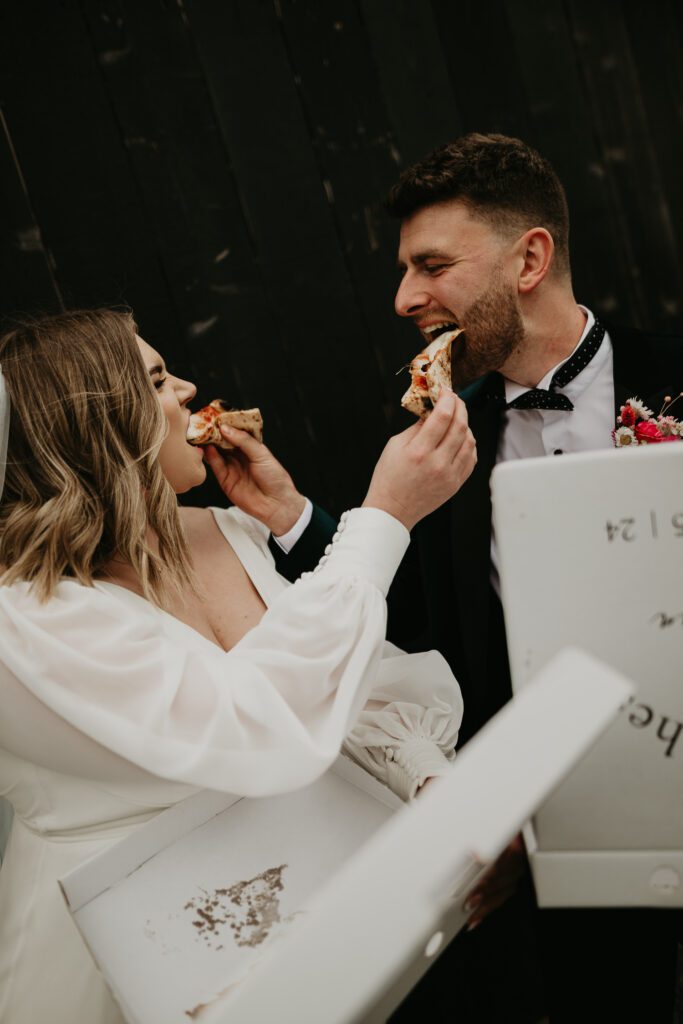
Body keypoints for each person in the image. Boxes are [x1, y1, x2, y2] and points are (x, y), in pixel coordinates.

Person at [274, 133, 683, 1023]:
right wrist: (288, 519)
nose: (404, 298)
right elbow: (395, 620)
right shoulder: (433, 439)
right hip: (561, 870)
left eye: (430, 266)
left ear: (529, 257)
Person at [0, 308, 477, 1024]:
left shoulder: (225, 526)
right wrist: (382, 518)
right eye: (159, 379)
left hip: (311, 911)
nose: (189, 388)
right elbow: (255, 723)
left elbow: (347, 681)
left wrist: (427, 777)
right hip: (141, 956)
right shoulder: (28, 614)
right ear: (103, 426)